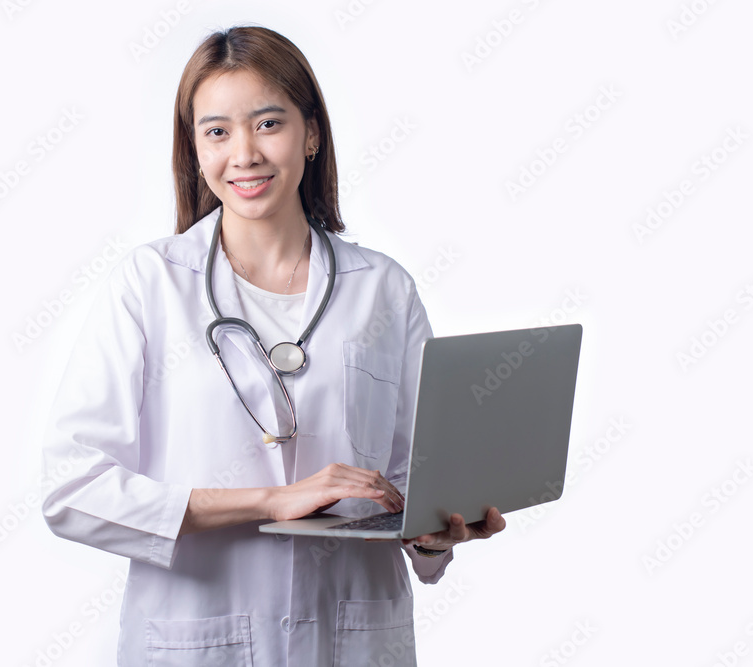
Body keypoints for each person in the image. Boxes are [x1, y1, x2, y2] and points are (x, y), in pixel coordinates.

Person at [41, 25, 506, 666]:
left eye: (267, 124)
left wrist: (433, 533)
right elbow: (73, 489)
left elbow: (410, 480)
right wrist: (266, 501)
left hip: (353, 639)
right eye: (217, 131)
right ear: (196, 149)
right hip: (199, 641)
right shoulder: (150, 284)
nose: (244, 154)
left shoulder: (385, 291)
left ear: (311, 134)